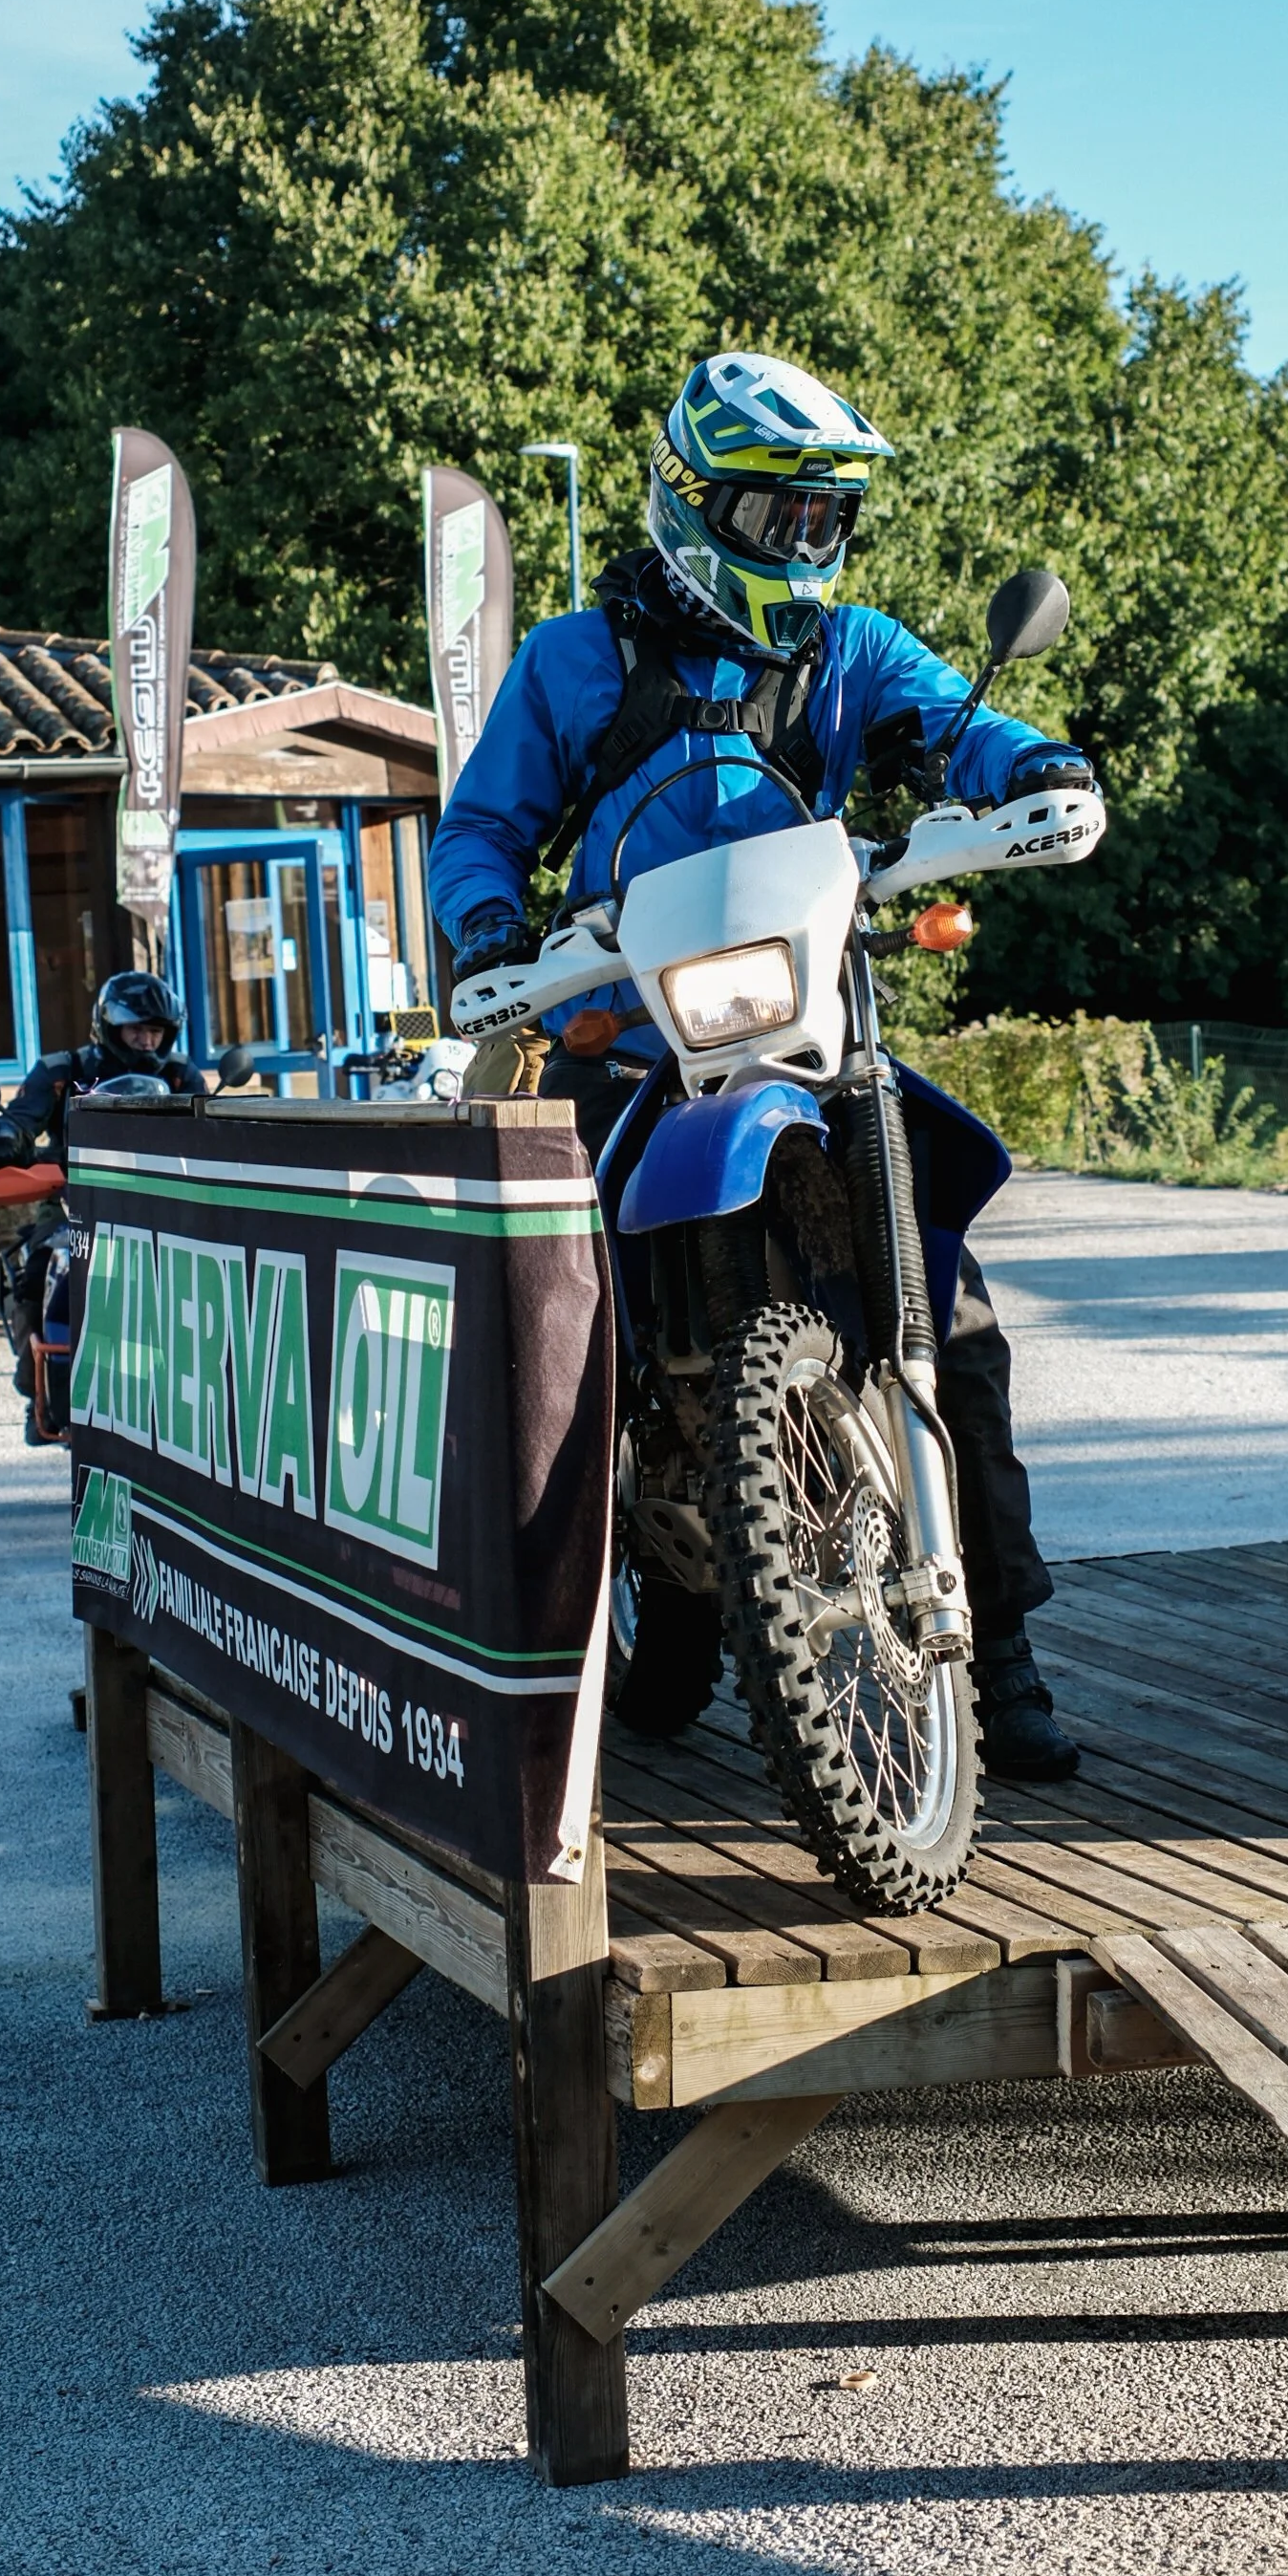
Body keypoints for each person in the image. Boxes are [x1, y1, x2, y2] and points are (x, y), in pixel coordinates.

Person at [429, 353, 1092, 1778]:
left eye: (826, 520)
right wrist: (488, 923)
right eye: (777, 517)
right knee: (542, 1316)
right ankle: (541, 1632)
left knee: (955, 1320)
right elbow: (482, 822)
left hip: (813, 1019)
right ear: (690, 503)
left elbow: (954, 727)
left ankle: (1009, 1659)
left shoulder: (850, 652)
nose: (809, 546)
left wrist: (1035, 767)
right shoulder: (573, 660)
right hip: (633, 1030)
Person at [0, 973, 207, 1429]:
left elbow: (213, 1128)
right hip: (72, 1199)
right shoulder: (63, 1071)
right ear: (109, 1028)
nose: (146, 1042)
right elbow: (22, 1117)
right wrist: (4, 1136)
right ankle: (38, 1384)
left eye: (155, 1032)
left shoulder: (181, 1074)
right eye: (136, 1030)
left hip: (159, 1203)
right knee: (40, 1265)